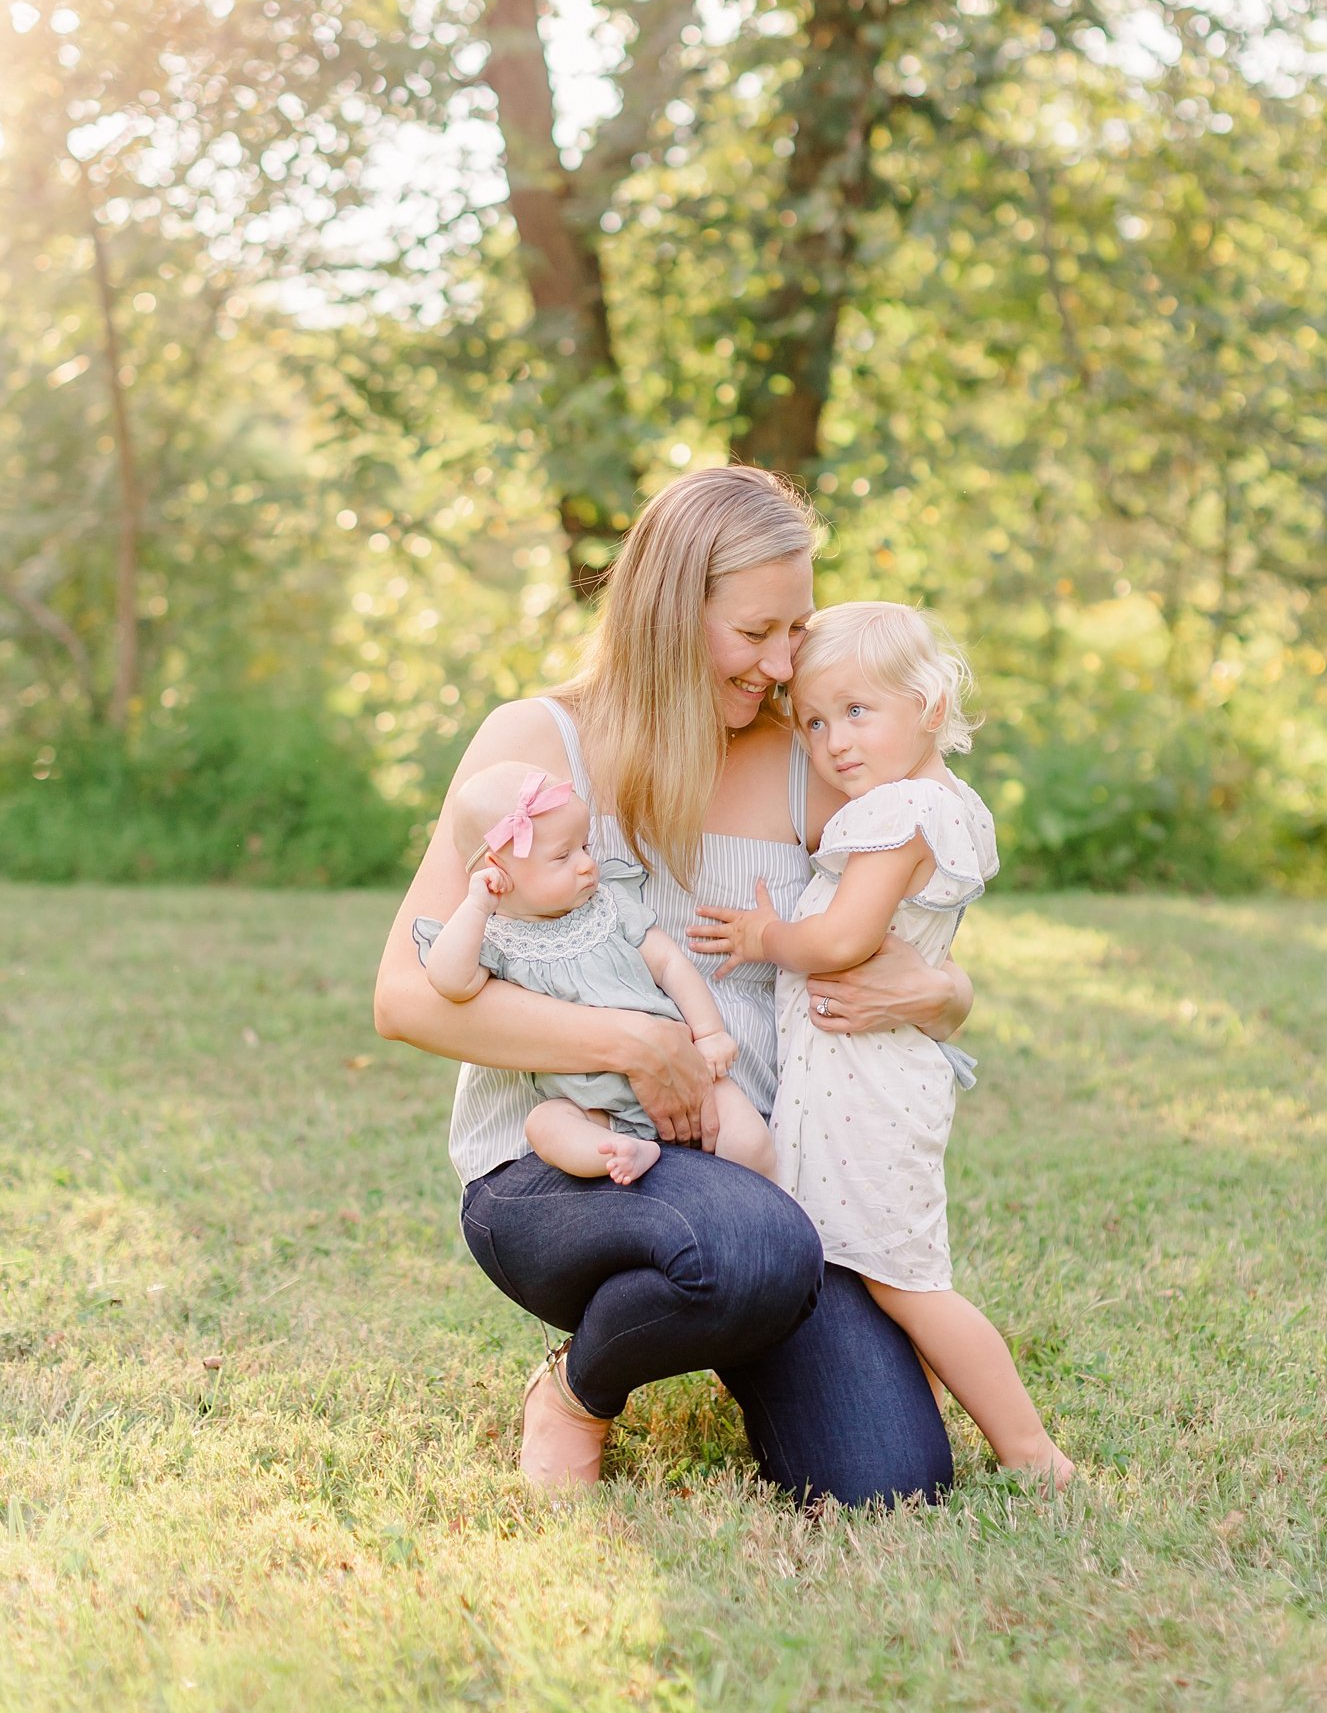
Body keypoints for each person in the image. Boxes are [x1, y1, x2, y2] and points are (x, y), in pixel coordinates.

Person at [374, 465, 972, 1499]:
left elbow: (908, 920)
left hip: (770, 1169)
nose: (784, 664)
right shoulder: (534, 748)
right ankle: (576, 1391)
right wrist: (628, 1044)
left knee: (889, 1479)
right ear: (667, 608)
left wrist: (946, 996)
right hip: (562, 1164)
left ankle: (742, 1305)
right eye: (756, 633)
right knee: (748, 1244)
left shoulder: (806, 761)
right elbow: (408, 997)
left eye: (799, 629)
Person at [697, 601, 1074, 1488]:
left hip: (860, 1080)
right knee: (870, 1266)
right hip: (882, 1068)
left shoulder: (894, 812)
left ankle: (1031, 1451)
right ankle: (914, 1406)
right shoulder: (951, 806)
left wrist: (763, 937)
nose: (833, 742)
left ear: (931, 705)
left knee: (905, 1279)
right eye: (817, 720)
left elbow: (840, 942)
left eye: (858, 712)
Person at [419, 758, 774, 1184]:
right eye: (563, 856)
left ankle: (761, 1198)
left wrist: (711, 1033)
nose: (587, 864)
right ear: (498, 870)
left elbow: (669, 964)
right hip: (592, 1107)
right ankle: (625, 1151)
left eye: (585, 847)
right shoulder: (498, 941)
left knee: (750, 1141)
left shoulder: (609, 906)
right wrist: (477, 905)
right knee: (547, 1125)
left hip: (683, 1071)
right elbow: (449, 982)